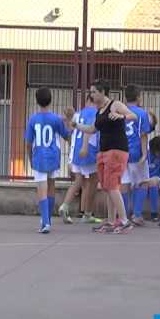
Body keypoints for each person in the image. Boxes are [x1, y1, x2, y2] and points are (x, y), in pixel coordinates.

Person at [73, 79, 137, 234]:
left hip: (116, 150)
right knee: (108, 187)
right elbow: (92, 129)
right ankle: (111, 221)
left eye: (94, 92)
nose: (92, 95)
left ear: (103, 92)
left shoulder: (114, 105)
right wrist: (76, 125)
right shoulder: (98, 110)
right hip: (103, 151)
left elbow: (132, 115)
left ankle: (124, 220)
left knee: (112, 185)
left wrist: (121, 116)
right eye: (91, 92)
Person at [24, 87, 70, 234]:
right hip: (53, 156)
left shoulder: (33, 119)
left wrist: (30, 158)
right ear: (51, 100)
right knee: (51, 187)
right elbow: (66, 136)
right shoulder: (56, 119)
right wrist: (68, 122)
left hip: (39, 157)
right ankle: (48, 220)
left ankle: (45, 223)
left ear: (37, 101)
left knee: (41, 190)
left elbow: (29, 142)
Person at [59, 94, 101, 225]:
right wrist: (85, 147)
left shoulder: (79, 113)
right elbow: (88, 130)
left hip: (75, 152)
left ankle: (65, 206)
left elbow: (71, 128)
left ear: (87, 100)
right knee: (93, 181)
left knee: (78, 181)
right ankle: (88, 213)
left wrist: (66, 119)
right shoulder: (95, 113)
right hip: (89, 150)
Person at [120, 84, 151, 226]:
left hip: (122, 151)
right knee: (143, 182)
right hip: (137, 152)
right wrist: (144, 154)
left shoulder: (120, 112)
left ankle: (123, 215)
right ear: (138, 97)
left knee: (124, 183)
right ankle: (137, 215)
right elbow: (143, 134)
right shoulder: (142, 113)